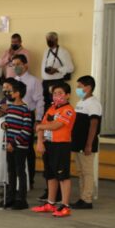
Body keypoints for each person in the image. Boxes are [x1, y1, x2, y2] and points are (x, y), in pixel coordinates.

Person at [32, 82, 76, 218]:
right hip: (48, 144)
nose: (57, 96)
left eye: (60, 93)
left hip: (61, 146)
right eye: (55, 93)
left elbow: (56, 125)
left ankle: (65, 205)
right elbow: (41, 125)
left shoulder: (68, 110)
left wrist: (41, 127)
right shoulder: (51, 109)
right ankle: (50, 203)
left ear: (67, 95)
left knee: (63, 176)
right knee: (50, 175)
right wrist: (39, 141)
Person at [13, 54, 44, 189]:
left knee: (27, 149)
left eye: (18, 64)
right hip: (14, 115)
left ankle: (29, 179)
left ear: (26, 65)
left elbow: (39, 101)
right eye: (13, 65)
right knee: (14, 147)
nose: (16, 67)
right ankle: (14, 179)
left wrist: (38, 120)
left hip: (28, 115)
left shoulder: (34, 81)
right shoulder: (14, 80)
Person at [71, 76, 102, 209]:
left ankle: (87, 199)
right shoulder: (80, 102)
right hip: (77, 143)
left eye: (79, 86)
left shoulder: (94, 103)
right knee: (80, 171)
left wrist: (89, 144)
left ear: (88, 87)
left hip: (86, 144)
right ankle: (82, 197)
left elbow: (94, 124)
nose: (77, 89)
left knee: (87, 172)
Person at [1, 80, 32, 210]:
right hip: (9, 145)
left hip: (19, 146)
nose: (8, 93)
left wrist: (14, 143)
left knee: (20, 171)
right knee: (11, 171)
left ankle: (21, 199)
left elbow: (26, 130)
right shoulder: (11, 107)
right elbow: (7, 122)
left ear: (17, 93)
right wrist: (4, 125)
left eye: (11, 91)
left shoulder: (26, 109)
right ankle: (10, 197)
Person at [41, 32, 74, 110]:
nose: (49, 41)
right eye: (48, 40)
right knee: (46, 105)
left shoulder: (63, 52)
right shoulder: (46, 51)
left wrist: (57, 70)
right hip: (45, 82)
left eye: (51, 39)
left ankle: (56, 121)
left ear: (56, 40)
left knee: (57, 104)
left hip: (56, 82)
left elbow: (70, 67)